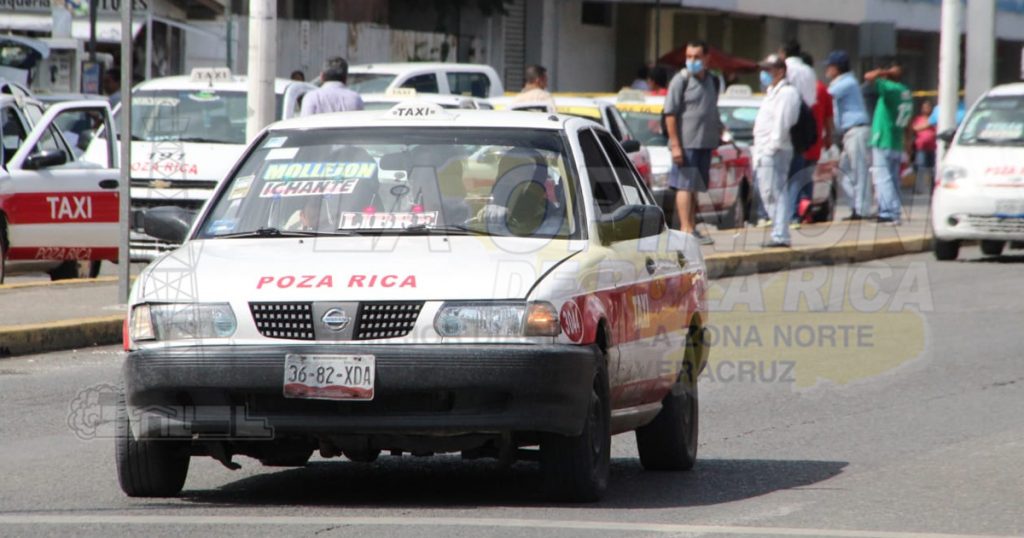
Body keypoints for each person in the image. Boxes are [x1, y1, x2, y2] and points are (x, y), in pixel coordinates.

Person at [663, 40, 722, 245]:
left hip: (704, 143)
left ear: (707, 58)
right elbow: (670, 114)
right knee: (684, 186)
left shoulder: (713, 81)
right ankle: (685, 228)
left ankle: (692, 226)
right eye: (689, 57)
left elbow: (712, 108)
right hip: (686, 144)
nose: (692, 61)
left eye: (697, 57)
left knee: (695, 186)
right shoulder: (681, 80)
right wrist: (676, 145)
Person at [753, 54, 801, 248]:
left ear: (780, 71)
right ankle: (779, 232)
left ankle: (781, 234)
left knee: (775, 192)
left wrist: (772, 147)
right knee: (768, 192)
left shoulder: (787, 93)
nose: (763, 74)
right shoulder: (772, 91)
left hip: (775, 150)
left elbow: (782, 123)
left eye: (768, 70)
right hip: (766, 149)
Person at [825, 50, 872, 220]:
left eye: (829, 67)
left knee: (859, 172)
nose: (827, 70)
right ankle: (856, 205)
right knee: (843, 171)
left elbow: (826, 95)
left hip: (856, 130)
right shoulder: (842, 82)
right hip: (848, 133)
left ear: (837, 68)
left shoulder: (847, 82)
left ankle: (862, 210)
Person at [789, 52, 835, 225]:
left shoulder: (795, 90)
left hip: (798, 142)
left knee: (795, 179)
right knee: (807, 179)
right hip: (815, 142)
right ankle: (804, 213)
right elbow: (829, 118)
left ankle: (795, 213)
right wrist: (829, 137)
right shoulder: (821, 89)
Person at [865, 63, 913, 225]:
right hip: (896, 139)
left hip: (883, 138)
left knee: (882, 177)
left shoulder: (889, 88)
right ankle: (895, 210)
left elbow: (869, 77)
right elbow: (909, 122)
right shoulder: (905, 92)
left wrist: (883, 71)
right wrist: (908, 142)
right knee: (893, 179)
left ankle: (887, 212)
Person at [912, 100, 937, 194]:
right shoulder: (918, 119)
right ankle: (919, 189)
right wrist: (927, 125)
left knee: (934, 169)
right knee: (921, 168)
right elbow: (915, 128)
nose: (926, 109)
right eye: (924, 107)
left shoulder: (935, 118)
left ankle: (933, 189)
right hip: (921, 148)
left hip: (933, 148)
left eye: (928, 107)